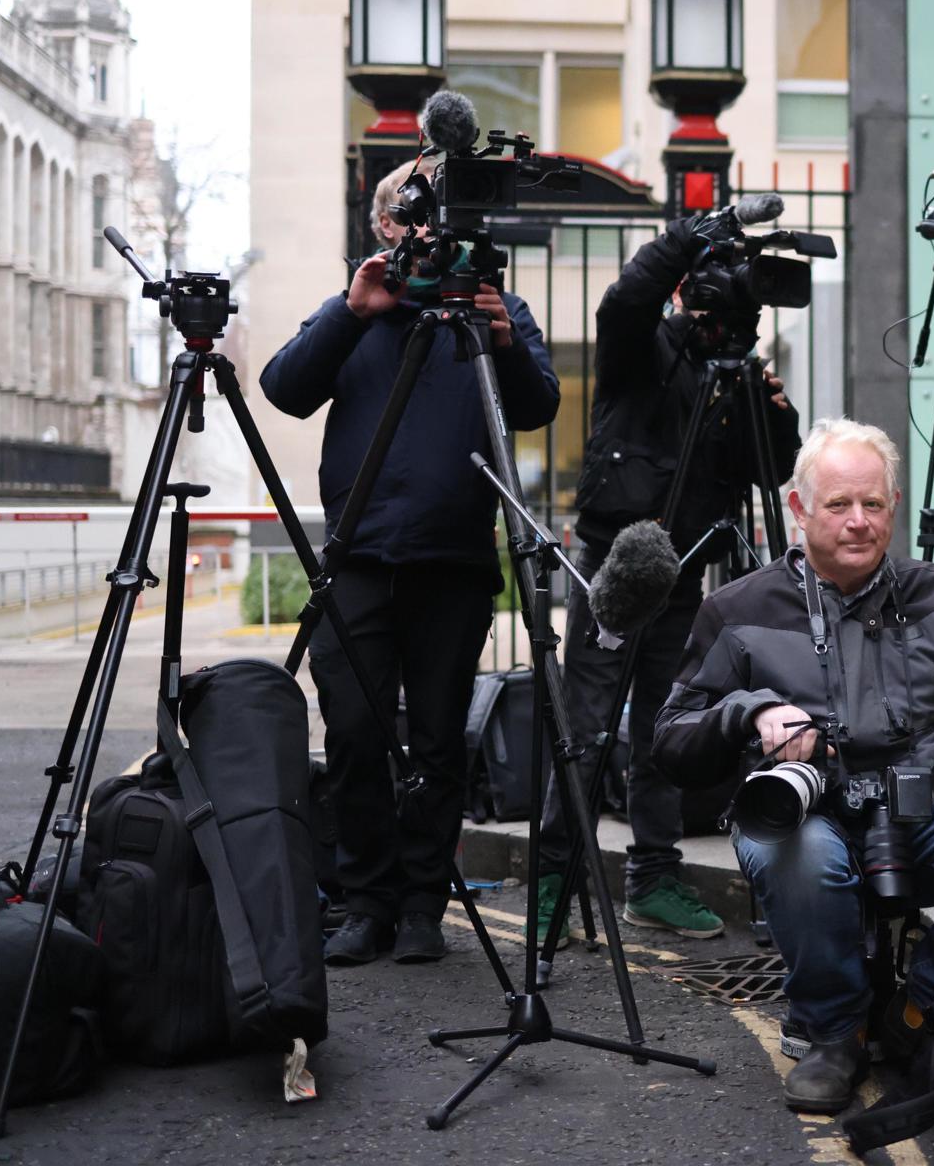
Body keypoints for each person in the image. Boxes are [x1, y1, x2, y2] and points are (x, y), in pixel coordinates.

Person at [654, 419, 934, 1114]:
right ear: (798, 509)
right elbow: (671, 740)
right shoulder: (735, 610)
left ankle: (923, 1006)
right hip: (805, 814)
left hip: (927, 807)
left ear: (895, 506)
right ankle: (834, 1031)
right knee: (795, 848)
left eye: (873, 504)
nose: (858, 522)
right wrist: (746, 714)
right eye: (838, 505)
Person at [260, 157, 560, 966]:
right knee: (355, 735)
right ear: (383, 228)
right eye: (408, 217)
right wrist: (352, 312)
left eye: (435, 219)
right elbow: (283, 389)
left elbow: (538, 407)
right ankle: (366, 902)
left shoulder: (496, 311)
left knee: (436, 745)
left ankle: (424, 903)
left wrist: (501, 339)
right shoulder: (356, 310)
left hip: (453, 565)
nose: (424, 233)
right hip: (358, 560)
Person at [535, 215, 803, 951]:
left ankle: (652, 879)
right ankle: (556, 877)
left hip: (687, 571)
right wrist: (693, 234)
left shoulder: (741, 371)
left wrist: (776, 417)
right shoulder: (643, 348)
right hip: (620, 562)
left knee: (666, 729)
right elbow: (622, 302)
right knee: (588, 727)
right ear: (687, 291)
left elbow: (770, 473)